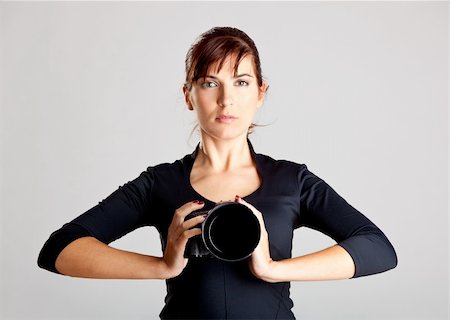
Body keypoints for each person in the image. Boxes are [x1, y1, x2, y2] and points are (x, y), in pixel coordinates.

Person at [38, 26, 398, 319]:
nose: (226, 99)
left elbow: (378, 249)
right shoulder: (159, 183)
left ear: (260, 92)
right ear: (189, 95)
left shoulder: (293, 181)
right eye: (210, 83)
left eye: (241, 82)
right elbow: (59, 249)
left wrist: (271, 268)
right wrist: (164, 266)